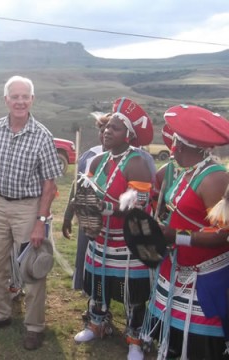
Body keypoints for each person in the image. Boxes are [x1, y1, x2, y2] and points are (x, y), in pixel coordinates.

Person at [0, 75, 62, 351]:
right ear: (6, 100)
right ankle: (0, 313)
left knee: (32, 270)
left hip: (29, 207)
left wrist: (40, 221)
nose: (20, 101)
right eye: (15, 96)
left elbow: (50, 184)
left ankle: (34, 326)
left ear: (32, 100)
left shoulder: (43, 136)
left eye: (25, 96)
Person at [140, 105, 229, 360]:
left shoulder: (214, 179)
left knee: (197, 345)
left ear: (184, 146)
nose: (172, 146)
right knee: (174, 340)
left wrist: (174, 235)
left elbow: (222, 235)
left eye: (176, 141)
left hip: (203, 277)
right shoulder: (186, 173)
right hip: (177, 269)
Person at [73, 98, 154, 360]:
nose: (108, 131)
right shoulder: (97, 162)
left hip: (127, 241)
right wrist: (78, 215)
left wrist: (106, 208)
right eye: (107, 126)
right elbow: (85, 196)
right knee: (98, 286)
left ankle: (135, 339)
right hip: (99, 238)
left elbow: (139, 206)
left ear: (128, 136)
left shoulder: (137, 163)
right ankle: (97, 324)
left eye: (115, 128)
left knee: (132, 293)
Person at [62, 112, 110, 290]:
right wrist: (68, 215)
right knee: (86, 256)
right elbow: (78, 186)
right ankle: (93, 302)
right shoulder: (90, 155)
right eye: (102, 130)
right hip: (89, 219)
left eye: (110, 130)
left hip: (115, 222)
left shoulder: (132, 160)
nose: (106, 134)